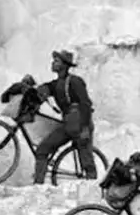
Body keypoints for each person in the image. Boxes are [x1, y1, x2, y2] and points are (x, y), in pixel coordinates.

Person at [32, 50, 98, 183]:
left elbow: (85, 104)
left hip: (80, 125)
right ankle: (38, 185)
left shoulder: (75, 82)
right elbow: (44, 89)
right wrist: (31, 84)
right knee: (42, 150)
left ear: (65, 65)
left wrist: (85, 128)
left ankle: (93, 190)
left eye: (57, 61)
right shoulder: (56, 84)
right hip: (68, 125)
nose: (53, 63)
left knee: (87, 162)